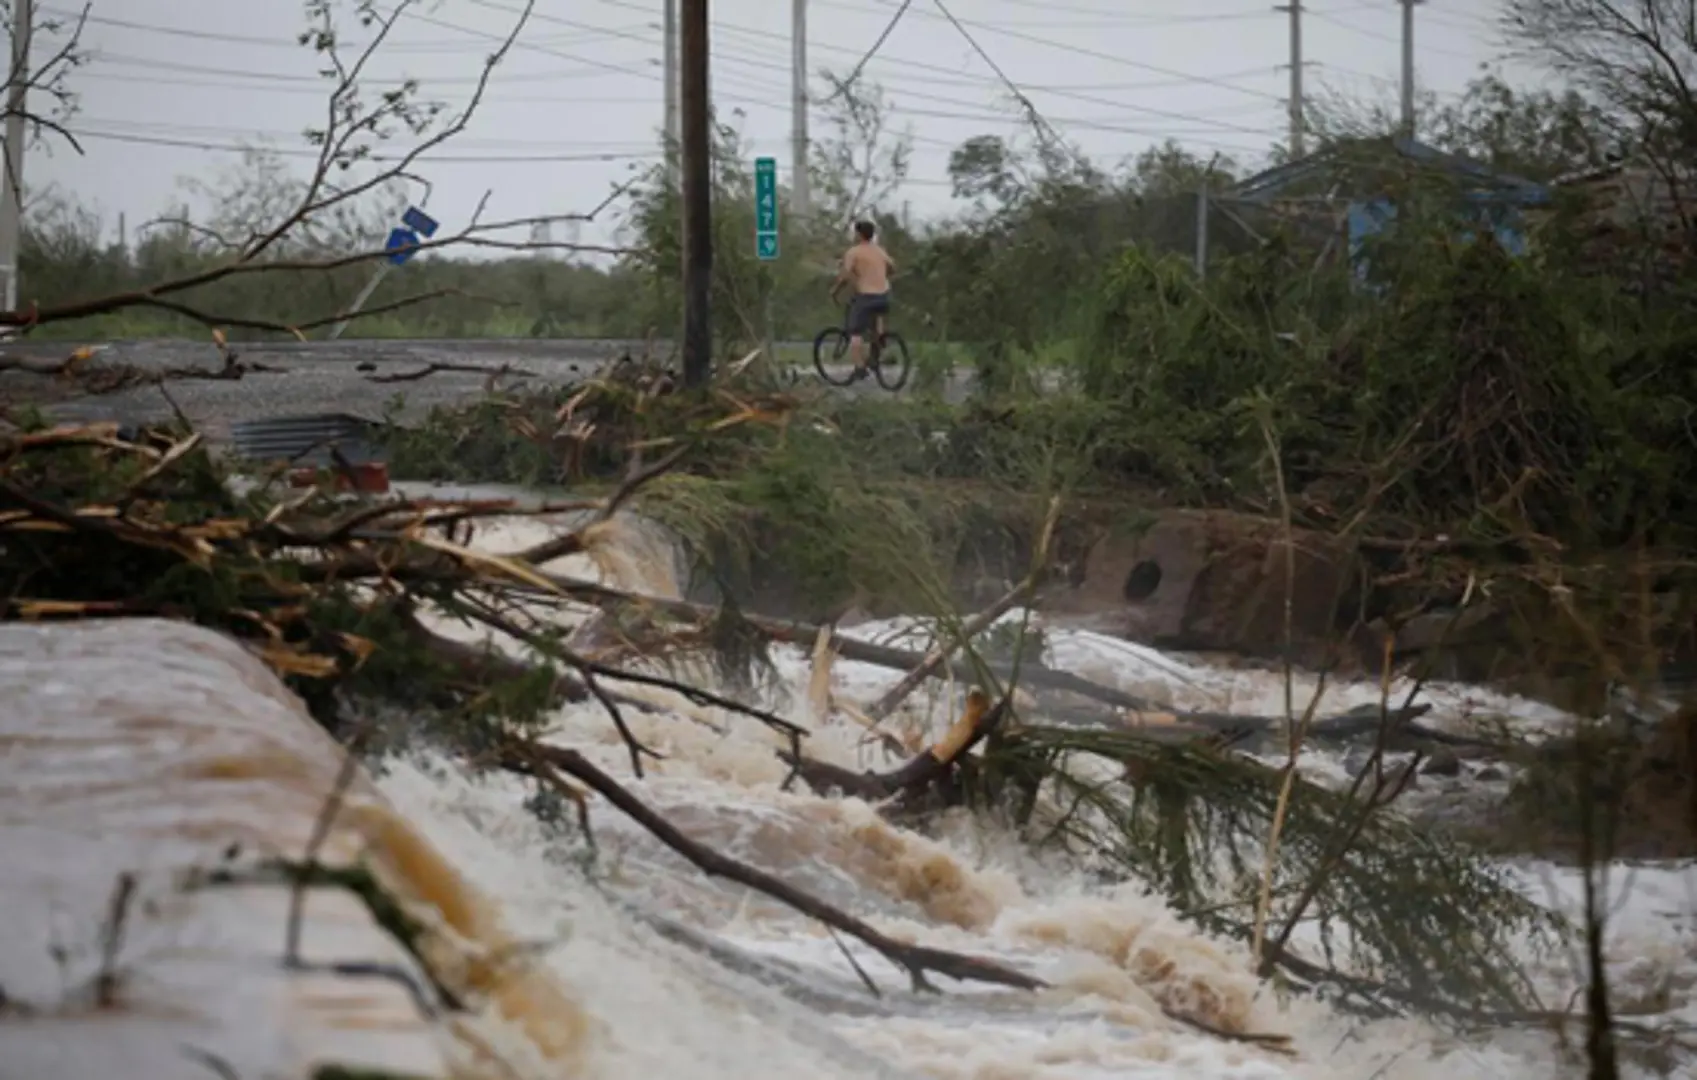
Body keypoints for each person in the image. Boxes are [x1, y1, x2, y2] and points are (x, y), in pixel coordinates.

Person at [829, 219, 894, 380]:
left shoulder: (854, 252)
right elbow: (892, 268)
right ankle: (877, 351)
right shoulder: (880, 251)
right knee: (877, 321)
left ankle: (859, 367)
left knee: (855, 332)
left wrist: (835, 292)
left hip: (866, 296)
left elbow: (844, 275)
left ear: (858, 234)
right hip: (884, 294)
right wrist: (879, 276)